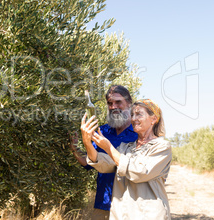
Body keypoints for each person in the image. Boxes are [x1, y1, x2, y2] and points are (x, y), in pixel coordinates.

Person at [81, 99, 172, 220]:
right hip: (121, 215)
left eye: (139, 114)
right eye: (132, 114)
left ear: (154, 119)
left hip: (148, 215)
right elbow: (103, 163)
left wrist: (108, 147)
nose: (133, 119)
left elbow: (139, 172)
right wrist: (87, 142)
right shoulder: (125, 147)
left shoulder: (161, 147)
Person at [70, 85, 138, 220]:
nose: (113, 107)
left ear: (129, 103)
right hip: (103, 205)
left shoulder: (139, 132)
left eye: (118, 102)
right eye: (110, 103)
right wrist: (76, 147)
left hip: (130, 206)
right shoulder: (102, 131)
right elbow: (88, 163)